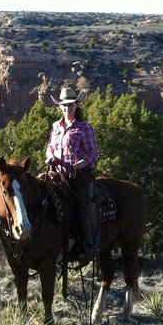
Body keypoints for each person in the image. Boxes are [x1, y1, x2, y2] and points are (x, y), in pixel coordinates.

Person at [45, 86, 100, 264]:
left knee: (82, 205)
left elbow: (93, 154)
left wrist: (79, 165)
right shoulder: (56, 127)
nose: (67, 108)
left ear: (76, 105)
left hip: (80, 177)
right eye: (64, 105)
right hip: (57, 175)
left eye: (70, 105)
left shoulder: (85, 128)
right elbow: (50, 148)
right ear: (59, 107)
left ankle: (87, 246)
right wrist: (49, 157)